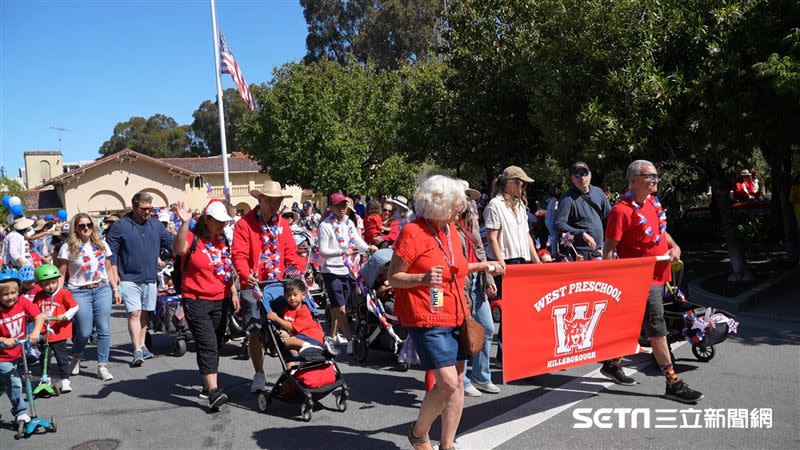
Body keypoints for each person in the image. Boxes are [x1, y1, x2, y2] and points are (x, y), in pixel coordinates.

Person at [389, 175, 497, 450]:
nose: (460, 210)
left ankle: (447, 445)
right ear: (438, 204)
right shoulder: (413, 231)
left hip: (455, 313)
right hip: (425, 316)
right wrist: (423, 279)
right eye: (455, 205)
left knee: (458, 382)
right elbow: (394, 277)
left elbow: (455, 269)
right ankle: (418, 433)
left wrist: (483, 267)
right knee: (448, 383)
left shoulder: (450, 231)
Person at [603, 159, 703, 403]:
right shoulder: (621, 211)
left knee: (635, 323)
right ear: (634, 180)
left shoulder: (652, 203)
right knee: (657, 328)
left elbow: (660, 231)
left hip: (660, 276)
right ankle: (673, 383)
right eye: (651, 176)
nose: (656, 179)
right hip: (639, 281)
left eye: (657, 175)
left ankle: (612, 363)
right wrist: (612, 279)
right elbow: (609, 249)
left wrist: (674, 245)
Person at [232, 180, 305, 393]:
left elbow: (291, 254)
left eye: (278, 202)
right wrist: (246, 274)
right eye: (270, 201)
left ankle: (292, 372)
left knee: (284, 326)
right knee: (255, 331)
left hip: (277, 285)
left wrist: (298, 270)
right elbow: (239, 255)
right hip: (254, 285)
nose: (275, 206)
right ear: (260, 200)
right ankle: (259, 373)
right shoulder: (245, 224)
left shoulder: (282, 224)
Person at [174, 199, 240, 411]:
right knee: (208, 343)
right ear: (207, 219)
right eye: (219, 221)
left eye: (225, 222)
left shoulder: (222, 241)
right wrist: (184, 223)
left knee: (217, 343)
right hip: (196, 301)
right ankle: (213, 391)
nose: (223, 226)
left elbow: (226, 269)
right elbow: (179, 248)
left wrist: (233, 290)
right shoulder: (193, 238)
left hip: (220, 300)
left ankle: (206, 385)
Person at [106, 192, 175, 367]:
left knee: (145, 313)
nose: (147, 212)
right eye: (144, 209)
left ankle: (143, 345)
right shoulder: (120, 226)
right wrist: (114, 278)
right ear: (134, 207)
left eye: (150, 209)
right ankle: (136, 350)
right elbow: (111, 254)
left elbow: (170, 243)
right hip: (128, 277)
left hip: (150, 277)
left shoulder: (156, 224)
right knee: (134, 313)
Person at [483, 166, 542, 365]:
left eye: (523, 183)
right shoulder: (495, 205)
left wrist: (537, 261)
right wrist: (500, 262)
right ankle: (504, 354)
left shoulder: (520, 206)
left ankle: (514, 351)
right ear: (508, 183)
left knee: (521, 310)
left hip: (522, 259)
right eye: (519, 182)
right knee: (510, 310)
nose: (522, 187)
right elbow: (492, 237)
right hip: (507, 260)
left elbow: (527, 236)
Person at [57, 213, 119, 381]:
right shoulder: (67, 247)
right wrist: (57, 295)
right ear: (75, 228)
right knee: (84, 332)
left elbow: (108, 269)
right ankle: (77, 356)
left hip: (102, 289)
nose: (86, 228)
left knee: (103, 329)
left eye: (89, 225)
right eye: (81, 226)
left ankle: (102, 366)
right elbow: (62, 274)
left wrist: (115, 288)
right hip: (79, 292)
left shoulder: (101, 244)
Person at [456, 181, 502, 398]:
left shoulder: (470, 221)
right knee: (465, 330)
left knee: (487, 328)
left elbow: (479, 250)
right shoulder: (446, 224)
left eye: (470, 197)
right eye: (463, 196)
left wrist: (488, 276)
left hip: (477, 278)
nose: (468, 201)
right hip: (460, 281)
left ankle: (481, 376)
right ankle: (462, 380)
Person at [318, 192, 377, 355]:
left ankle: (334, 335)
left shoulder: (349, 223)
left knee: (341, 306)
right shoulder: (325, 225)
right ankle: (351, 340)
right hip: (331, 270)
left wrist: (368, 247)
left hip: (348, 269)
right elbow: (323, 251)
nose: (342, 208)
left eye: (344, 205)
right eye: (338, 205)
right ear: (331, 208)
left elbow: (357, 240)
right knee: (341, 307)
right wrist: (341, 251)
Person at [0, 268, 44, 426]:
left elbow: (38, 316)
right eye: (5, 294)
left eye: (13, 292)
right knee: (15, 382)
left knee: (3, 386)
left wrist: (36, 331)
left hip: (17, 353)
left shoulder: (22, 301)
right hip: (1, 357)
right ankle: (21, 413)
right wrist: (3, 339)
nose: (10, 297)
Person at [32, 264, 78, 393]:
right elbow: (34, 309)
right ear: (40, 284)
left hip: (58, 333)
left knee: (61, 358)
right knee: (44, 357)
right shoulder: (39, 295)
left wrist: (65, 316)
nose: (51, 286)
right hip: (43, 333)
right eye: (47, 284)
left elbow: (75, 307)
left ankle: (65, 380)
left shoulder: (64, 293)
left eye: (53, 282)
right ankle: (45, 379)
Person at [554, 162, 611, 261]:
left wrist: (609, 243)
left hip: (600, 250)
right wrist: (582, 234)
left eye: (584, 173)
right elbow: (559, 224)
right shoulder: (567, 199)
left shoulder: (599, 192)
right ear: (572, 178)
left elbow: (610, 218)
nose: (582, 178)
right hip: (580, 253)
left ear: (590, 174)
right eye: (577, 175)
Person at [265, 279, 326, 360]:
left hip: (311, 336)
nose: (292, 298)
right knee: (290, 348)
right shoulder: (286, 311)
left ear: (303, 295)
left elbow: (292, 327)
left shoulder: (303, 310)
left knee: (288, 341)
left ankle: (309, 346)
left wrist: (276, 319)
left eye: (295, 295)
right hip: (299, 337)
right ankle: (299, 360)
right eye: (288, 296)